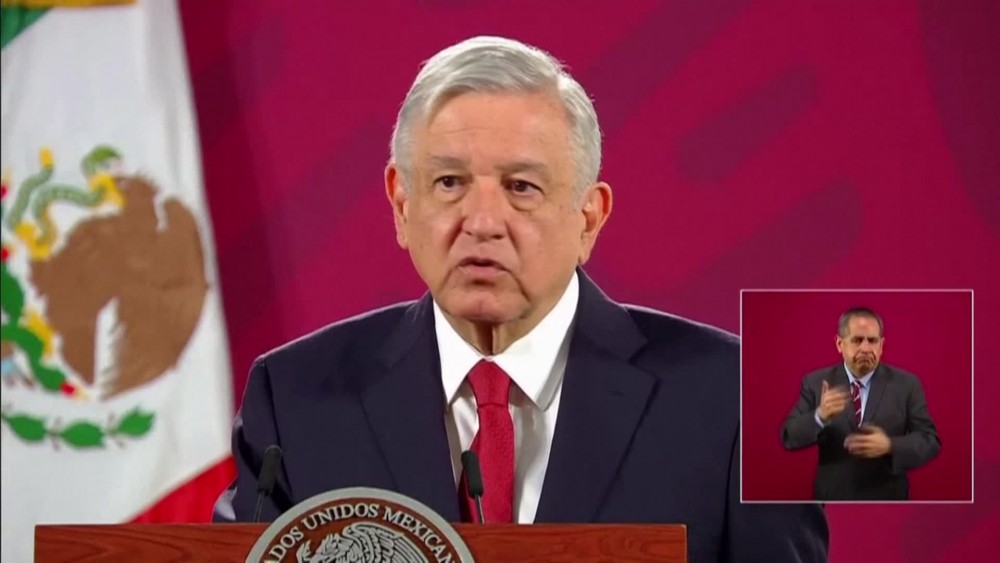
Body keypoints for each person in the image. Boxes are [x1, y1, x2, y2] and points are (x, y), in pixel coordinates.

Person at [214, 36, 828, 561]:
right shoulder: (295, 399)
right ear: (401, 205)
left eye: (521, 187)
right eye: (449, 182)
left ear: (588, 217)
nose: (483, 222)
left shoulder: (738, 399)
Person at [781, 307, 941, 500]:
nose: (865, 348)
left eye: (872, 341)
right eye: (857, 340)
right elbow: (789, 436)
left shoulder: (907, 385)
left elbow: (929, 441)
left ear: (881, 345)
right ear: (839, 344)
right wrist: (819, 416)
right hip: (833, 501)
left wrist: (890, 445)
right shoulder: (815, 383)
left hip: (888, 500)